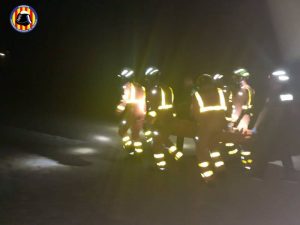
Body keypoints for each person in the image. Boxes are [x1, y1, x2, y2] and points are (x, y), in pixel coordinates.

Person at [251, 70, 297, 181]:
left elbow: (267, 111)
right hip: (282, 126)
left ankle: (259, 173)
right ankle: (289, 173)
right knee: (283, 149)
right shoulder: (285, 93)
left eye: (272, 81)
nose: (271, 83)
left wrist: (256, 126)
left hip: (276, 127)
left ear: (277, 82)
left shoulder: (277, 95)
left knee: (267, 149)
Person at [143, 66, 183, 171]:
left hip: (159, 120)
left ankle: (161, 166)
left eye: (148, 78)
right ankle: (178, 155)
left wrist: (149, 122)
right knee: (164, 139)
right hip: (169, 119)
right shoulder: (168, 89)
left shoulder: (154, 90)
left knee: (157, 143)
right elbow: (172, 105)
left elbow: (154, 109)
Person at [191, 74, 227, 181]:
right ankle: (220, 169)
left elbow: (194, 113)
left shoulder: (197, 95)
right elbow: (227, 108)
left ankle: (208, 177)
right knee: (214, 148)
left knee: (201, 151)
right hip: (219, 125)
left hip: (205, 126)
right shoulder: (220, 92)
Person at [226, 68, 255, 169]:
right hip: (240, 119)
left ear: (242, 78)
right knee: (236, 140)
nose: (235, 79)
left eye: (237, 77)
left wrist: (235, 121)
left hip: (242, 120)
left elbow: (242, 107)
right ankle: (240, 161)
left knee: (239, 140)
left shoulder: (245, 89)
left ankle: (244, 162)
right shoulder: (244, 89)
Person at [116, 68, 146, 156]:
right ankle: (138, 153)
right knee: (135, 135)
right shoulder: (141, 87)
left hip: (131, 112)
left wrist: (119, 110)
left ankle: (129, 149)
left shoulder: (128, 86)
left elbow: (124, 101)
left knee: (122, 131)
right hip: (140, 113)